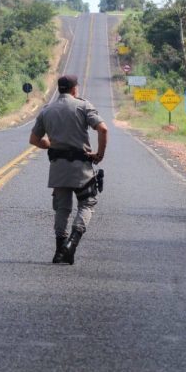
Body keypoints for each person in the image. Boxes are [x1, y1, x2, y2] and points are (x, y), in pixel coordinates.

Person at [29, 75, 108, 265]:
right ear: (74, 89)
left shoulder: (47, 110)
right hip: (81, 169)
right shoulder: (83, 106)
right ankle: (72, 243)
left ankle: (59, 251)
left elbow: (34, 140)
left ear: (59, 89)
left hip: (58, 168)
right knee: (87, 203)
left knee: (62, 209)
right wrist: (99, 155)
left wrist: (50, 144)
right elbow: (103, 129)